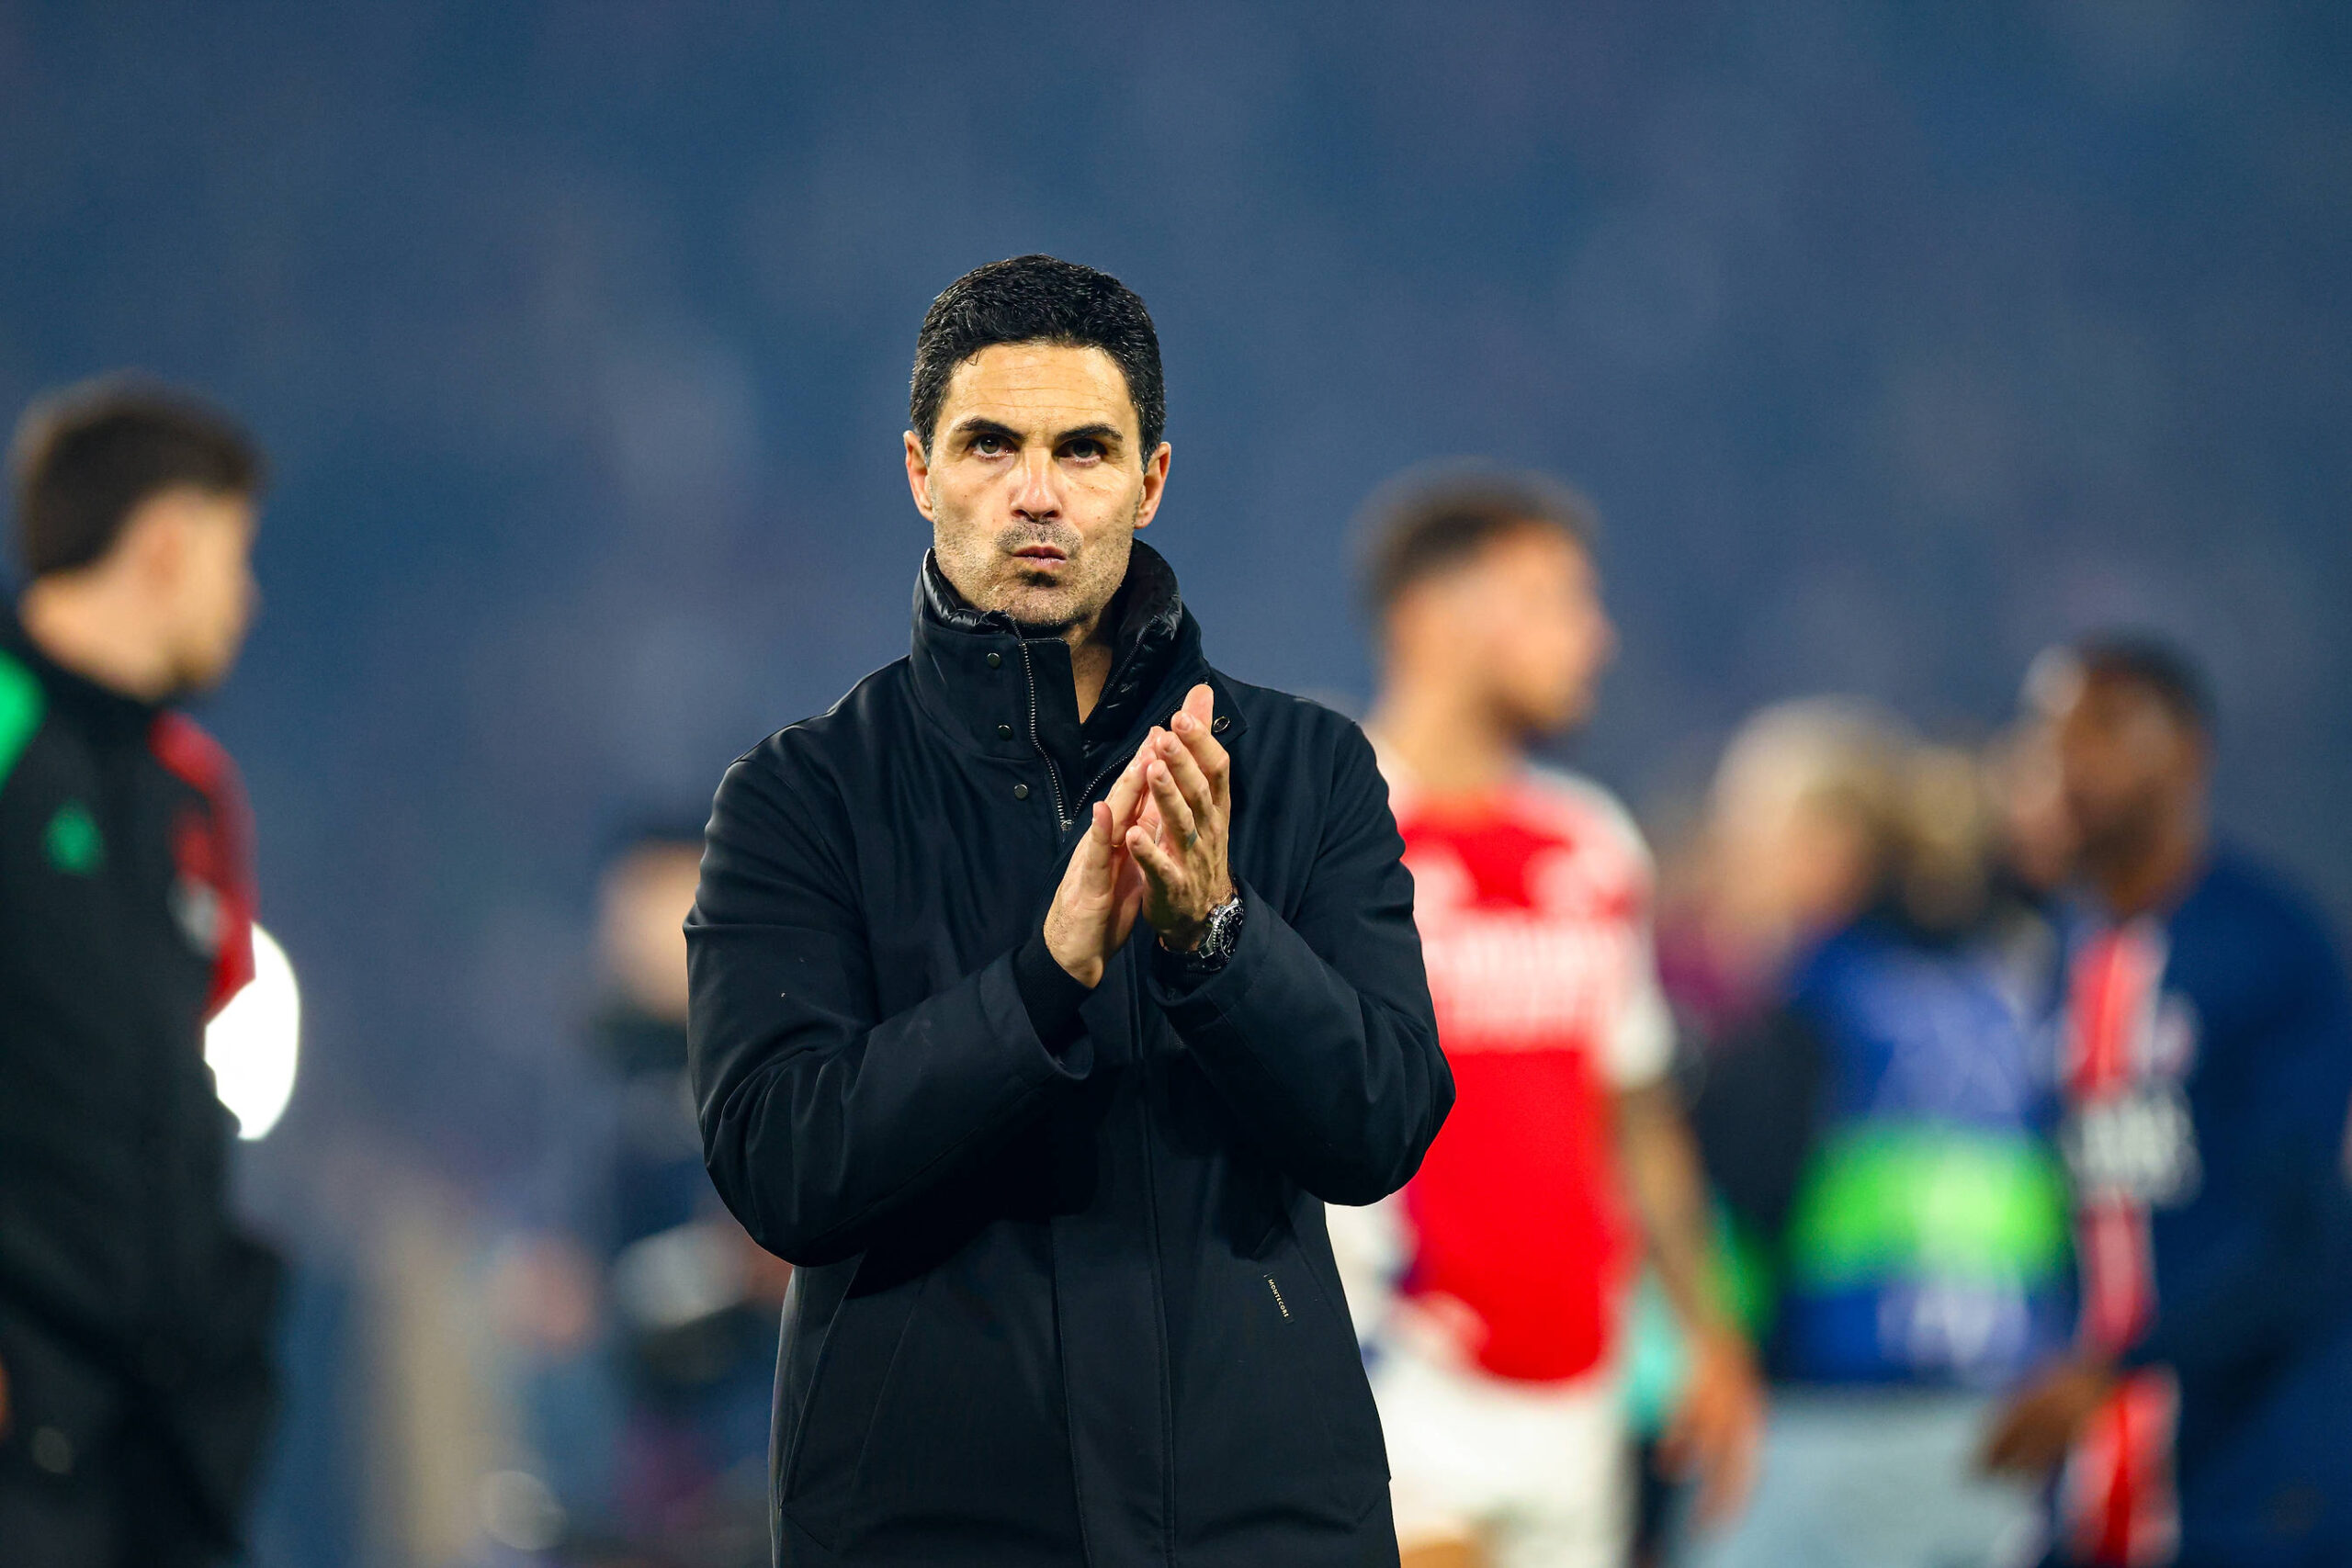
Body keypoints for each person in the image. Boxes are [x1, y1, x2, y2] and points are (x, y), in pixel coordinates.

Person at [686, 255, 1452, 1568]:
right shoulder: (800, 797)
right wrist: (1040, 982)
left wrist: (1217, 937)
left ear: (1150, 481)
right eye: (991, 444)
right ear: (920, 471)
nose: (1035, 492)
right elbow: (779, 1167)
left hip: (1261, 1524)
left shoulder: (1306, 767)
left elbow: (1380, 1124)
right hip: (930, 1531)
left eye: (1083, 450)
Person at [1330, 468, 1762, 1568]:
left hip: (1579, 1396)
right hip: (1398, 1377)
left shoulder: (1592, 842)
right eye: (1553, 601)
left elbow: (1633, 1116)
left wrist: (1709, 1335)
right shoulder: (1320, 836)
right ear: (1432, 618)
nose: (1595, 637)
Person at [1979, 637, 2352, 1567]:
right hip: (2094, 1477)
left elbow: (2301, 1233)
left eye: (2103, 731)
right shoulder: (2062, 959)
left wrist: (2118, 1367)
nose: (2066, 761)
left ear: (2187, 754)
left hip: (2257, 1477)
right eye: (2048, 733)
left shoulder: (2269, 948)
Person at [1682, 701, 2069, 1568]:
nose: (1728, 864)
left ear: (1828, 847)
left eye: (1749, 835)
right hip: (2014, 1426)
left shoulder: (1812, 1002)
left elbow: (1737, 1199)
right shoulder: (2019, 983)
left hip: (1836, 1430)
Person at [0, 380, 283, 1565]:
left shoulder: (194, 791)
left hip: (159, 1432)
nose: (245, 597)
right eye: (233, 555)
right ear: (163, 544)